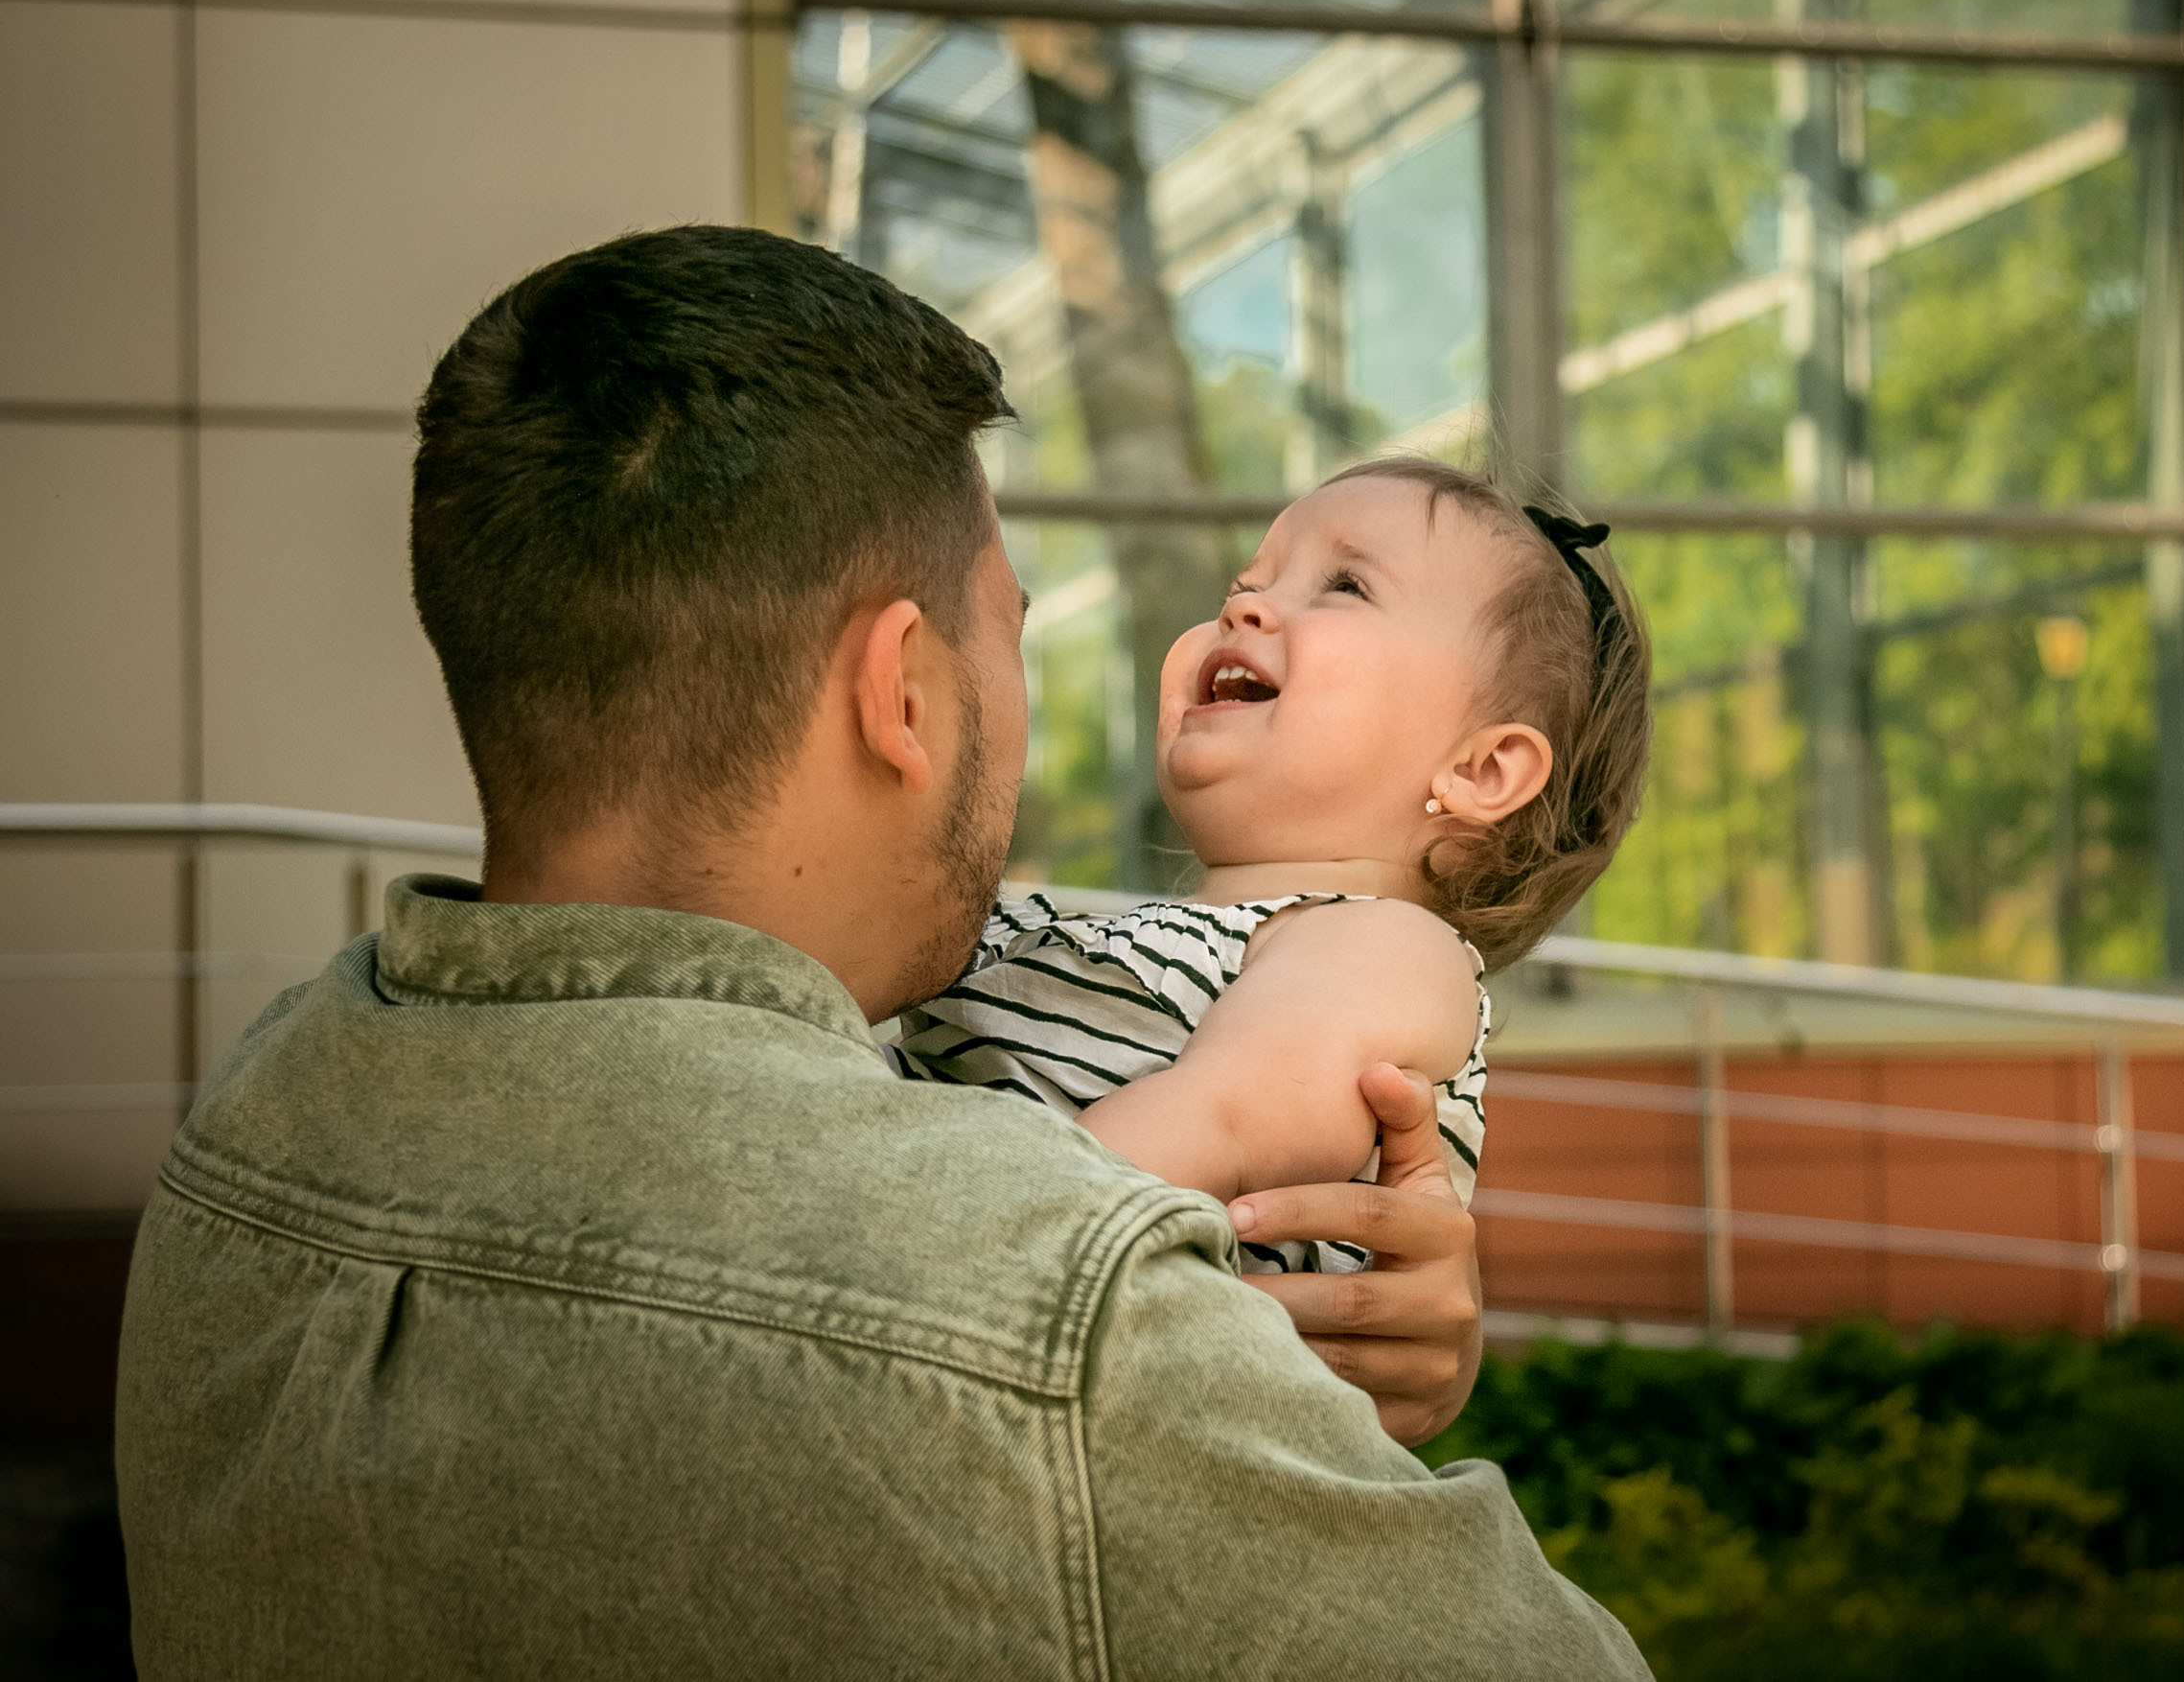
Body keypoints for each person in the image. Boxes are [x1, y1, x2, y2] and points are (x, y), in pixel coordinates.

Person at [112, 225, 1651, 1678]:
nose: (1247, 600)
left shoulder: (253, 1122)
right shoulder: (1030, 1324)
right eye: (1008, 626)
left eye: (1341, 586)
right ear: (901, 693)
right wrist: (1105, 1311)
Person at [894, 459, 1651, 1277]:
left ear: (1482, 773)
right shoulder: (1134, 946)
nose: (1241, 607)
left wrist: (932, 1255)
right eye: (1244, 582)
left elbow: (1220, 1122)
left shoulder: (1385, 951)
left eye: (1346, 587)